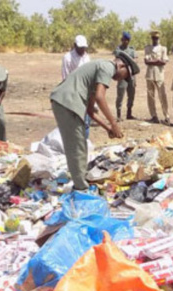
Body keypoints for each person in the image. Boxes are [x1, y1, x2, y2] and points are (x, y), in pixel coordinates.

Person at [50, 54, 134, 191]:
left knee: (80, 143)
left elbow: (91, 111)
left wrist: (108, 129)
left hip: (66, 102)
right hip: (67, 102)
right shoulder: (108, 67)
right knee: (76, 146)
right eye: (126, 75)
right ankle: (81, 188)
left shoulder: (99, 74)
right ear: (121, 66)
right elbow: (101, 98)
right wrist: (114, 123)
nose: (123, 79)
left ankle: (81, 180)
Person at [144, 31, 169, 124]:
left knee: (162, 96)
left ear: (159, 39)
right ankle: (154, 116)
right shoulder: (147, 48)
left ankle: (166, 116)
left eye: (156, 38)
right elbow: (146, 62)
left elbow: (164, 62)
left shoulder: (163, 49)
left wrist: (153, 61)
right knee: (151, 96)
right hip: (150, 74)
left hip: (159, 75)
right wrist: (157, 61)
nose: (155, 40)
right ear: (152, 39)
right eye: (153, 38)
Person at [115, 32, 137, 120]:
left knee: (131, 94)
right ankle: (118, 114)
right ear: (122, 39)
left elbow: (134, 62)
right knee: (120, 94)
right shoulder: (118, 50)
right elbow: (117, 60)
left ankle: (129, 113)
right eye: (124, 40)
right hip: (122, 75)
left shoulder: (132, 50)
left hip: (131, 75)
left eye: (127, 40)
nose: (126, 42)